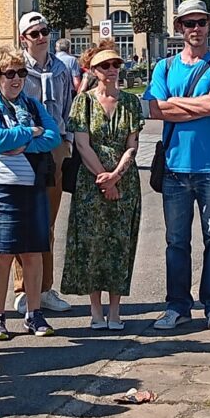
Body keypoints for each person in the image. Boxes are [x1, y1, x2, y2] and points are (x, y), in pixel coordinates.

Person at [144, 0, 210, 332]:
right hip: (174, 165)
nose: (195, 29)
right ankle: (177, 305)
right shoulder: (164, 67)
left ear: (209, 24)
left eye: (200, 22)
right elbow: (153, 109)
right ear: (179, 27)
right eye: (189, 23)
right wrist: (199, 106)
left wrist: (178, 105)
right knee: (176, 241)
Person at [61, 42, 144, 329]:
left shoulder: (131, 102)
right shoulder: (82, 102)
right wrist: (104, 179)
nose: (111, 70)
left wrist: (117, 176)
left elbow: (132, 145)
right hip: (90, 184)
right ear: (93, 70)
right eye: (104, 66)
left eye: (116, 65)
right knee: (92, 244)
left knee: (120, 243)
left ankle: (116, 310)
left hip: (125, 183)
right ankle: (95, 310)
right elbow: (82, 146)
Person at [0, 44, 61, 340]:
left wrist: (23, 144)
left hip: (34, 186)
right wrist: (31, 132)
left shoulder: (32, 104)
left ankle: (34, 313)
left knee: (33, 252)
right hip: (4, 189)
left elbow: (52, 136)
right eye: (9, 73)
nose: (16, 79)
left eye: (21, 73)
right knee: (1, 254)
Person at [14, 11, 75, 315]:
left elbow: (66, 107)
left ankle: (46, 288)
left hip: (55, 146)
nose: (41, 37)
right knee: (23, 219)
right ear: (24, 38)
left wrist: (66, 143)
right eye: (34, 33)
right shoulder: (17, 69)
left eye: (45, 31)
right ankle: (24, 288)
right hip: (25, 148)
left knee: (48, 222)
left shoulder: (62, 69)